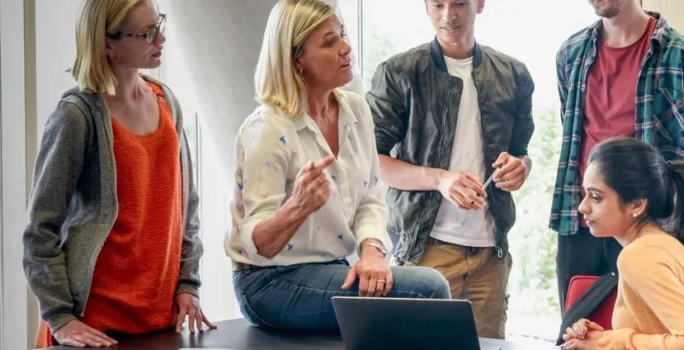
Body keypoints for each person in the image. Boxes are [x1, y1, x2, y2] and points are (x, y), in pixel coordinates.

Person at [227, 0, 450, 331]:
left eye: (342, 35)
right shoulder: (267, 129)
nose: (346, 49)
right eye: (330, 42)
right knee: (427, 288)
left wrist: (372, 252)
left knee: (417, 290)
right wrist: (298, 208)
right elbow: (258, 246)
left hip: (330, 265)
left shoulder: (355, 110)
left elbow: (372, 197)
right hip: (269, 280)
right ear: (297, 59)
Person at [23, 0, 213, 347]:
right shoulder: (76, 117)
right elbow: (40, 229)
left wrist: (188, 285)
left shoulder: (167, 102)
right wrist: (60, 317)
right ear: (107, 43)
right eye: (146, 33)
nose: (162, 39)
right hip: (95, 329)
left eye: (159, 25)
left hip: (159, 325)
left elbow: (186, 208)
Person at [366, 0, 534, 339]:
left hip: (491, 254)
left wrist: (522, 167)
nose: (449, 15)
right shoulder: (399, 73)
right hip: (425, 252)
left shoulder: (514, 75)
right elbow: (372, 163)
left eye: (459, 3)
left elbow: (521, 153)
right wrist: (440, 179)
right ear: (425, 6)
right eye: (438, 4)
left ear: (479, 4)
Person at [552, 0, 684, 310]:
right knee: (576, 332)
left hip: (648, 224)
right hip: (581, 222)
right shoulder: (571, 52)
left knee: (648, 331)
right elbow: (571, 130)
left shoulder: (681, 55)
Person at [559, 137, 684, 350]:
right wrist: (600, 341)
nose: (583, 207)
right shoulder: (664, 245)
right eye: (586, 194)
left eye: (596, 197)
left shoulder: (639, 256)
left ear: (637, 204)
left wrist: (611, 341)